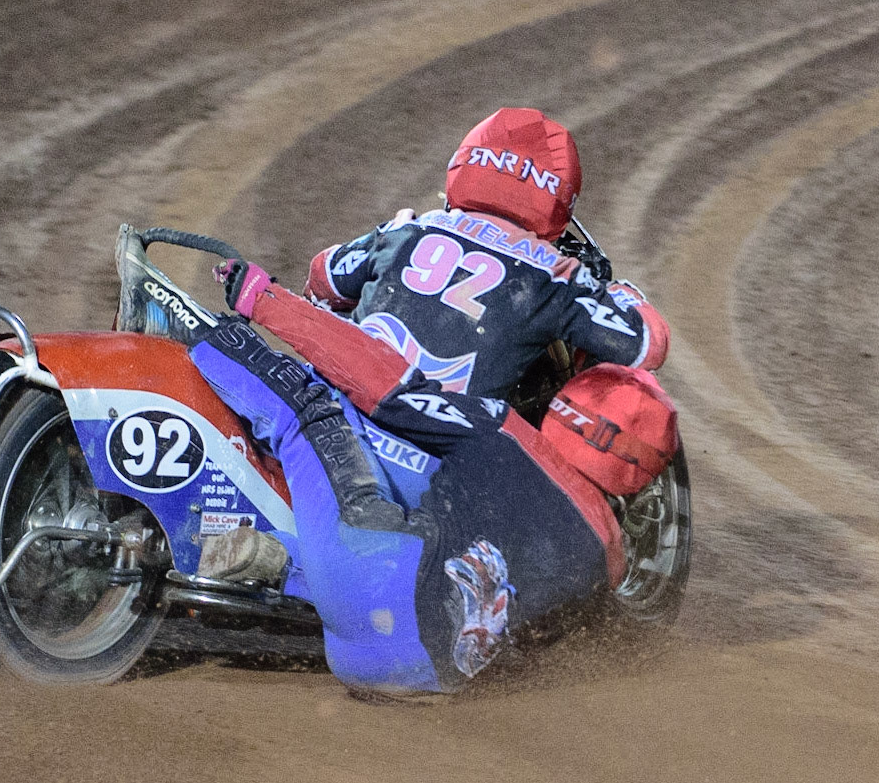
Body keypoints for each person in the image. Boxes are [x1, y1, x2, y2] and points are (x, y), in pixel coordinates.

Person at [175, 258, 678, 696]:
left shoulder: (502, 433)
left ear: (567, 408)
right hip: (427, 676)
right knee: (426, 558)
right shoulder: (608, 562)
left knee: (312, 409)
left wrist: (264, 302)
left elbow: (382, 385)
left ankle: (184, 329)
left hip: (370, 582)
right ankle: (281, 561)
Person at [303, 107, 668, 400]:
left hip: (330, 412)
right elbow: (646, 346)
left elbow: (323, 278)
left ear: (466, 163)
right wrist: (621, 292)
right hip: (443, 449)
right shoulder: (555, 276)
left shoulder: (409, 229)